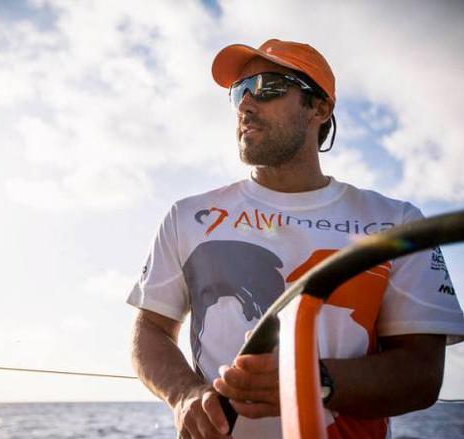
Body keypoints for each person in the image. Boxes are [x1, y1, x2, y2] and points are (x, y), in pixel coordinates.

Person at [127, 39, 464, 439]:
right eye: (240, 91)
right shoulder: (187, 216)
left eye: (268, 86)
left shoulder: (396, 221)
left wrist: (311, 378)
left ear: (319, 108)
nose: (246, 104)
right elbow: (150, 329)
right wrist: (184, 394)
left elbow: (421, 374)